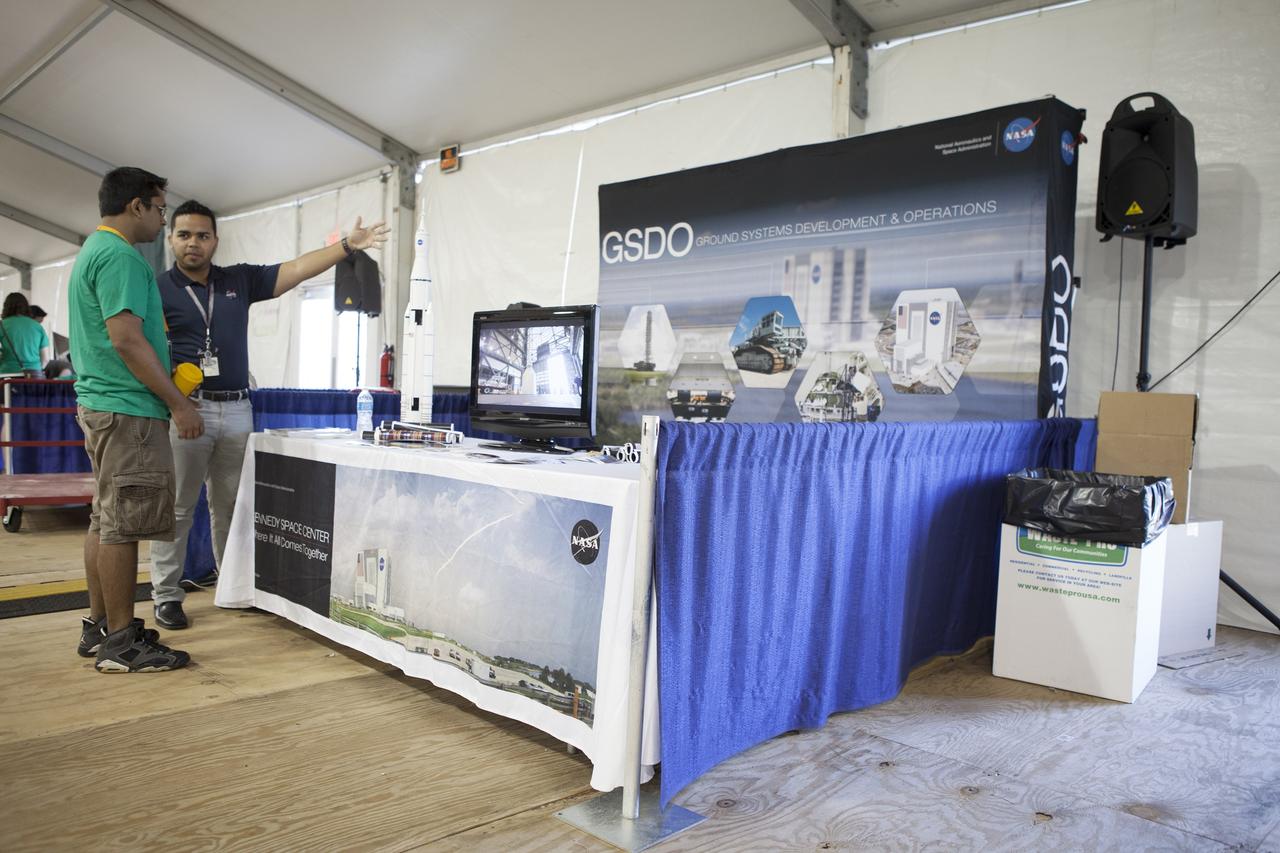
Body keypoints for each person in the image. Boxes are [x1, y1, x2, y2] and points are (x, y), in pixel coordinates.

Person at [149, 200, 389, 629]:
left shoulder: (238, 279)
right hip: (187, 410)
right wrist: (177, 406)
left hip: (238, 408)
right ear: (170, 239)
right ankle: (166, 595)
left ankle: (233, 585)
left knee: (231, 507)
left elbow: (296, 268)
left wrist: (347, 248)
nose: (193, 244)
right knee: (178, 508)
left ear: (215, 240)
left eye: (202, 235)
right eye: (184, 235)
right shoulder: (157, 288)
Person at [69, 166, 203, 672]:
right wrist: (178, 402)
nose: (162, 218)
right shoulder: (121, 256)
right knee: (122, 526)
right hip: (128, 409)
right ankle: (122, 643)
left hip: (104, 404)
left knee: (105, 520)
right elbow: (127, 339)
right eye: (161, 208)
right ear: (137, 207)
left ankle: (101, 626)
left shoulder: (93, 250)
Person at [0, 292, 50, 377]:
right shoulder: (38, 327)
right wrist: (35, 369)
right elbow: (45, 359)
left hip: (7, 376)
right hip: (34, 376)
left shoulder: (2, 325)